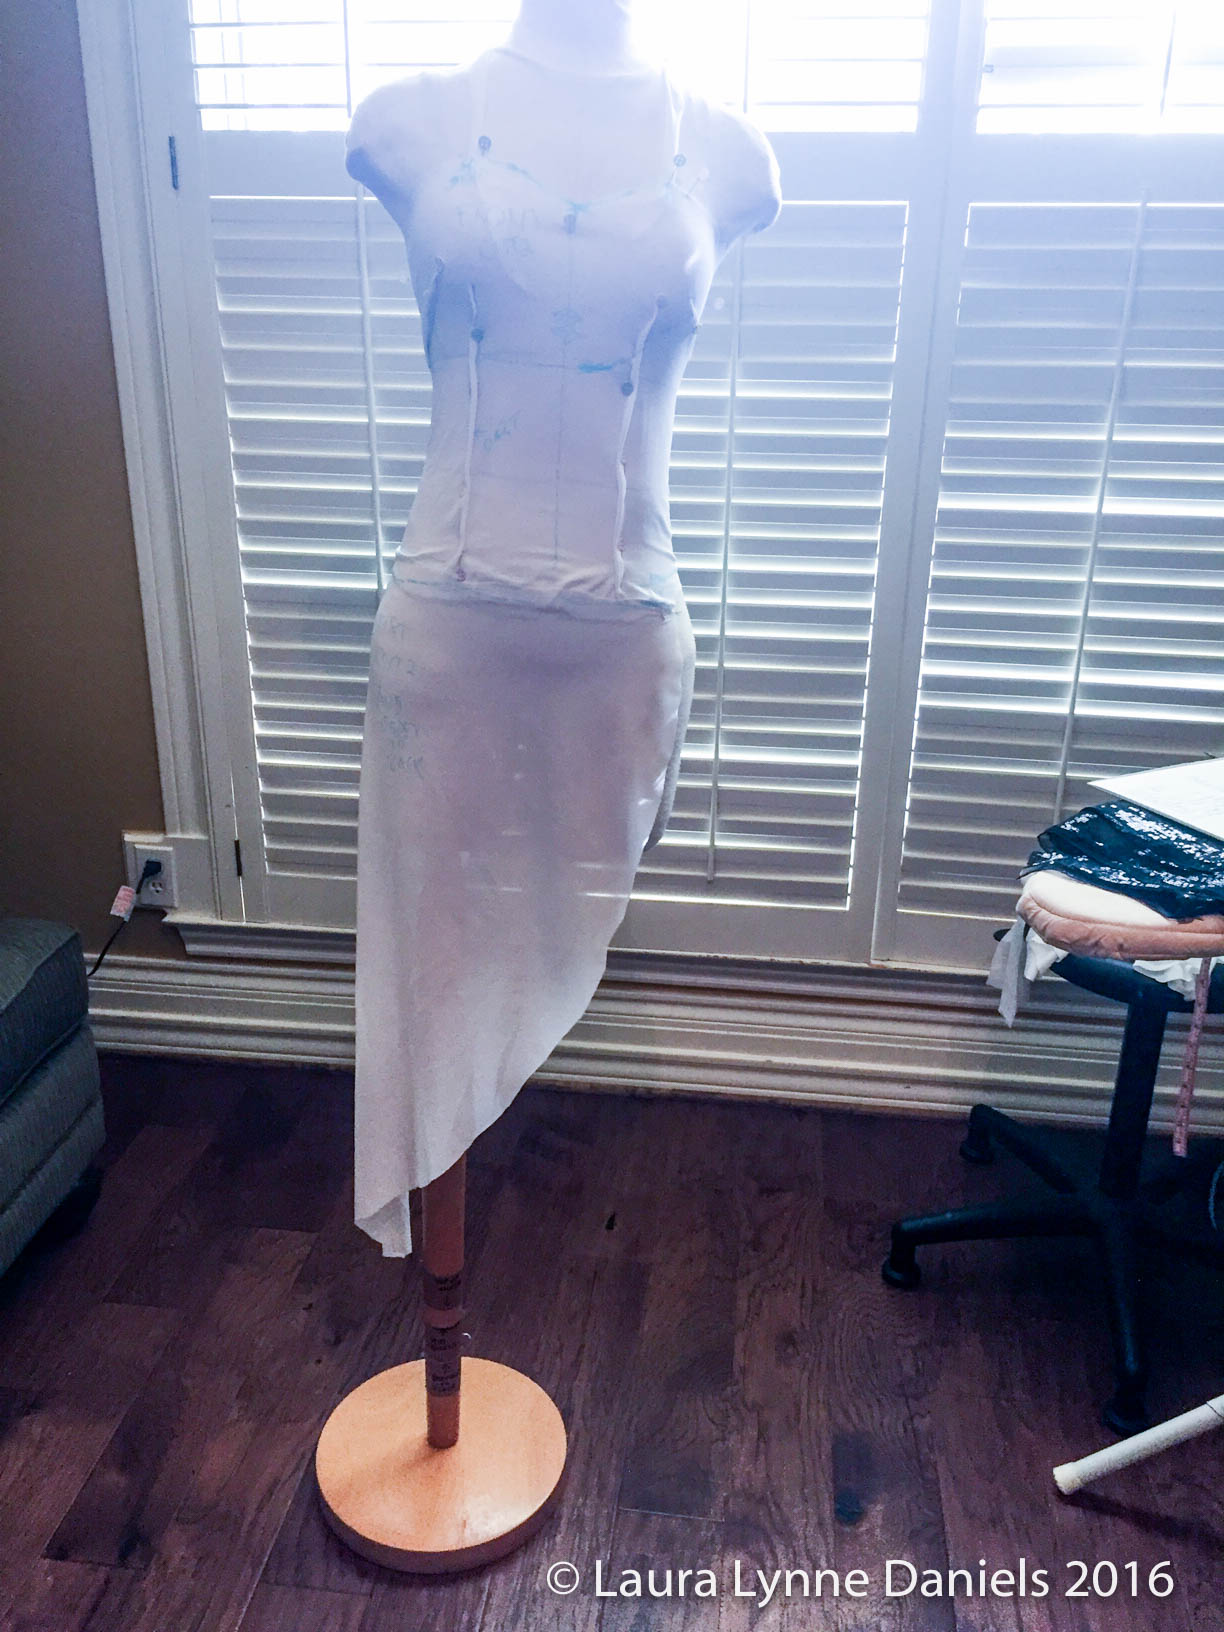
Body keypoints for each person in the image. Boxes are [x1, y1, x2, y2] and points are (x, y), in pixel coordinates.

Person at [347, 0, 781, 1255]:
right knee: (429, 973)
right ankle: (437, 1306)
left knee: (534, 952)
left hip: (622, 636)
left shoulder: (730, 152)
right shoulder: (408, 121)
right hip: (445, 635)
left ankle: (454, 1303)